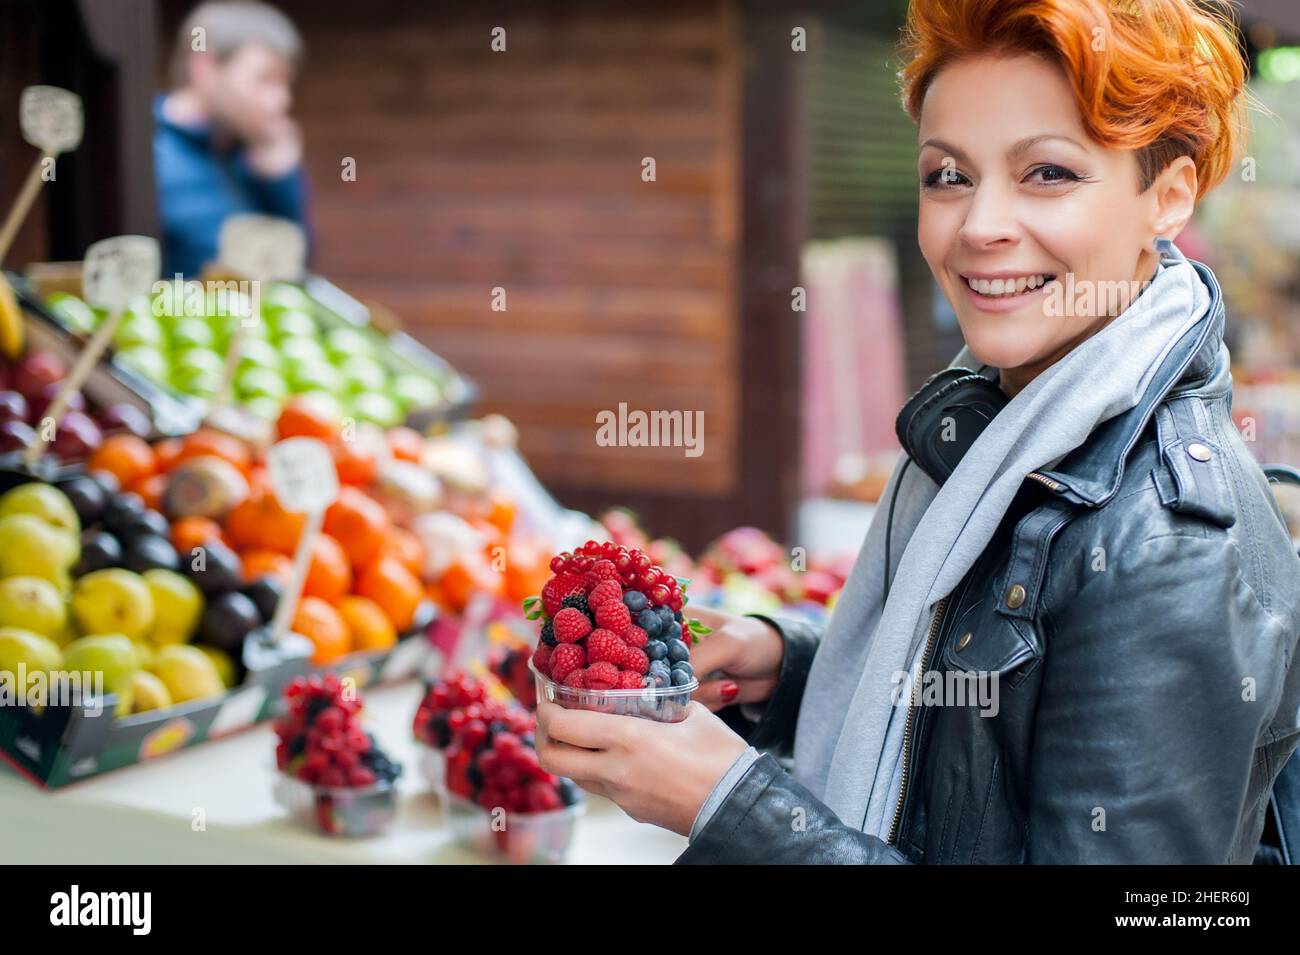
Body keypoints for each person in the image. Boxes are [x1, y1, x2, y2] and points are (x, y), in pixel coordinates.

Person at [536, 0, 1300, 864]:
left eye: (1047, 173)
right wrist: (790, 668)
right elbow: (998, 700)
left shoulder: (1168, 549)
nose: (979, 227)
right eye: (949, 175)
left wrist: (740, 813)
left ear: (1168, 196)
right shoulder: (1009, 422)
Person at [154, 1, 309, 277]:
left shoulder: (255, 155)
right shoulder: (147, 152)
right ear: (205, 68)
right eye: (265, 79)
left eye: (286, 82)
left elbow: (294, 271)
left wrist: (280, 184)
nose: (283, 100)